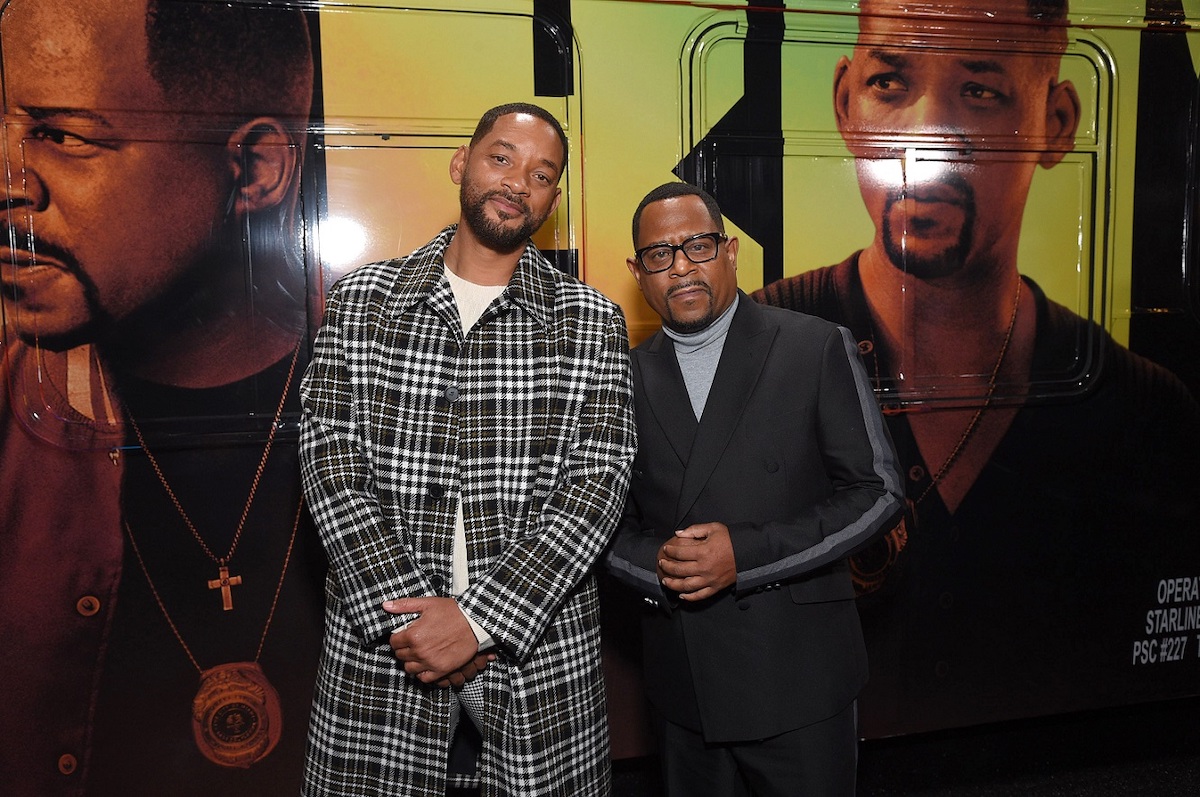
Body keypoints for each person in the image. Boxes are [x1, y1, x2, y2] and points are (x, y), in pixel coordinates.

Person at [753, 0, 1200, 735]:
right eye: (891, 84)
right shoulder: (757, 354)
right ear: (844, 102)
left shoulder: (1147, 417)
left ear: (1058, 122)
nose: (926, 134)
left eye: (981, 91)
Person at [0, 1, 325, 794]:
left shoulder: (376, 356)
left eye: (65, 133)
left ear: (253, 170)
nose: (9, 178)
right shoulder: (16, 391)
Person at [299, 102, 637, 797]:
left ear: (552, 198)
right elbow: (329, 461)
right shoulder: (364, 299)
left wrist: (479, 621)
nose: (518, 182)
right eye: (502, 157)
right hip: (385, 649)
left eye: (543, 174)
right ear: (463, 163)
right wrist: (417, 623)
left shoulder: (590, 319)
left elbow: (598, 485)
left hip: (535, 652)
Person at [606, 181, 904, 796]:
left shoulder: (811, 345)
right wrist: (666, 568)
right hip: (685, 687)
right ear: (639, 272)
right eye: (660, 255)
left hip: (798, 678)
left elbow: (875, 492)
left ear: (731, 250)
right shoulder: (624, 375)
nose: (681, 267)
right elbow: (604, 523)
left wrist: (743, 556)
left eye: (698, 246)